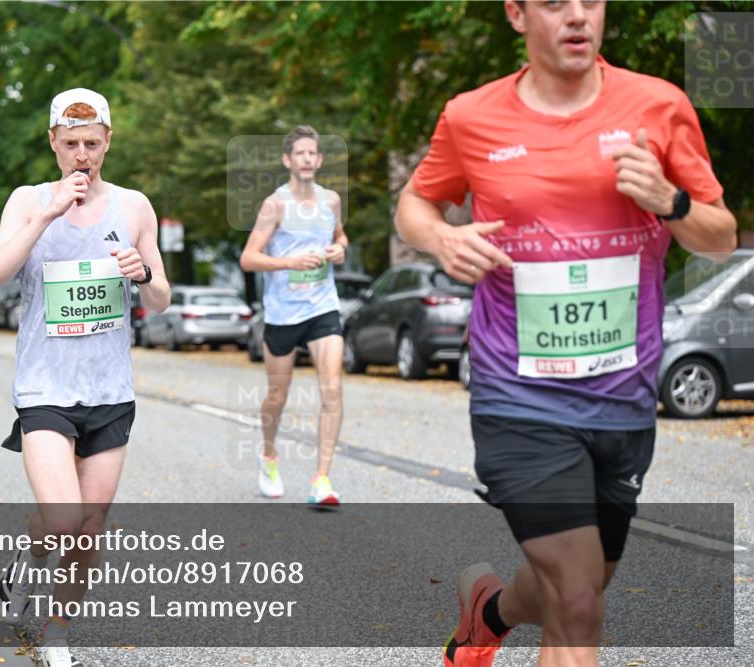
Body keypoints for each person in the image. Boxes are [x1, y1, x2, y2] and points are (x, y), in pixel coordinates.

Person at [394, 2, 738, 665]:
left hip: (624, 397)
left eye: (592, 0)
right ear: (518, 14)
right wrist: (440, 238)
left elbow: (721, 236)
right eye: (555, 2)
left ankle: (487, 610)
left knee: (579, 585)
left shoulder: (658, 106)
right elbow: (416, 201)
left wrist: (673, 201)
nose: (578, 16)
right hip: (517, 395)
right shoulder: (472, 116)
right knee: (577, 603)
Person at [0, 88, 169, 667]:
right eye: (70, 144)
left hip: (110, 391)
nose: (81, 155)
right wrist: (47, 213)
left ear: (108, 141)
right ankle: (28, 565)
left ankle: (56, 629)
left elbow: (160, 298)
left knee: (89, 530)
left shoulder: (134, 207)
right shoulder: (27, 200)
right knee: (63, 520)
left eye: (92, 143)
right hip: (45, 388)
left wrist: (143, 274)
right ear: (53, 144)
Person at [239, 125, 349, 507]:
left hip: (323, 307)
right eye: (299, 153)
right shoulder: (276, 205)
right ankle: (269, 455)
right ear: (288, 160)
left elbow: (340, 236)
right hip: (283, 313)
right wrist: (289, 261)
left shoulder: (331, 200)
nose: (306, 159)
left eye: (312, 153)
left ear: (318, 160)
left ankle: (322, 479)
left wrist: (338, 249)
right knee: (277, 395)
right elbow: (248, 258)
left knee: (332, 388)